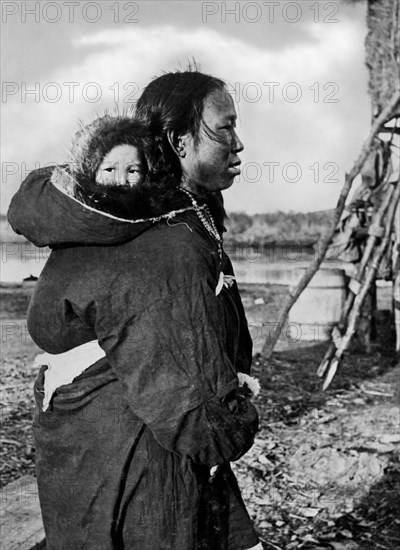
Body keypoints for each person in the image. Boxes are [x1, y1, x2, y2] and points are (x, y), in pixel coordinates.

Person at [8, 70, 261, 550]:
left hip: (104, 453)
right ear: (178, 141)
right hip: (141, 463)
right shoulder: (164, 245)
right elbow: (188, 408)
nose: (238, 143)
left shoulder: (156, 223)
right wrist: (237, 423)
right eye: (224, 127)